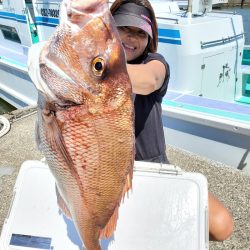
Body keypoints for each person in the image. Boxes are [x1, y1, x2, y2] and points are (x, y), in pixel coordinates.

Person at [110, 0, 233, 242]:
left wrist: (96, 69)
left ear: (150, 38)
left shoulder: (155, 63)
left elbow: (149, 80)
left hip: (154, 166)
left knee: (222, 225)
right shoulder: (92, 70)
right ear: (109, 28)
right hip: (109, 170)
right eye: (124, 28)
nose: (131, 38)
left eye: (140, 33)